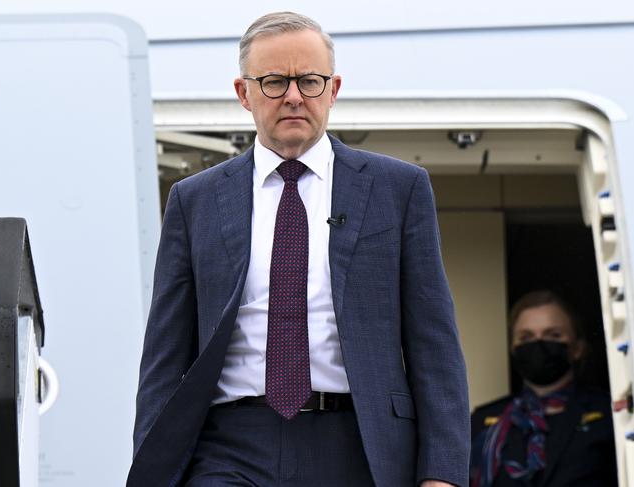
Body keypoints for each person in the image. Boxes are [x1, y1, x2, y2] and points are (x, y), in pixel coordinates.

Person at [128, 11, 469, 487]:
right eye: (273, 82)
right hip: (228, 446)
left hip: (359, 444)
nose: (292, 96)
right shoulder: (195, 200)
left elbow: (434, 342)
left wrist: (443, 472)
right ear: (243, 93)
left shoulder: (399, 189)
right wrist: (150, 467)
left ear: (333, 89)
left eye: (309, 81)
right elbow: (165, 352)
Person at [470, 290, 617, 487]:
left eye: (553, 335)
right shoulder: (484, 422)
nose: (538, 343)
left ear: (577, 348)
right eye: (526, 337)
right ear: (514, 349)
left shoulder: (610, 415)